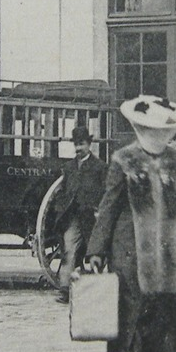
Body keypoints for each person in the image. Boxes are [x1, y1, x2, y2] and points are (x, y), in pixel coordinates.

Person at [86, 95, 176, 352]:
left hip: (165, 251)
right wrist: (96, 250)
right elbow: (109, 206)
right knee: (133, 313)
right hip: (129, 251)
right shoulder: (123, 161)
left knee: (164, 312)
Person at [53, 126, 106, 304]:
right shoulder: (69, 167)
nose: (78, 149)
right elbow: (62, 190)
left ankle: (93, 291)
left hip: (92, 217)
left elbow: (106, 193)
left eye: (81, 144)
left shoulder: (99, 167)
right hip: (73, 216)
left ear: (89, 144)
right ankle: (64, 290)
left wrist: (100, 211)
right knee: (68, 250)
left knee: (94, 253)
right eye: (76, 145)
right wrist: (61, 207)